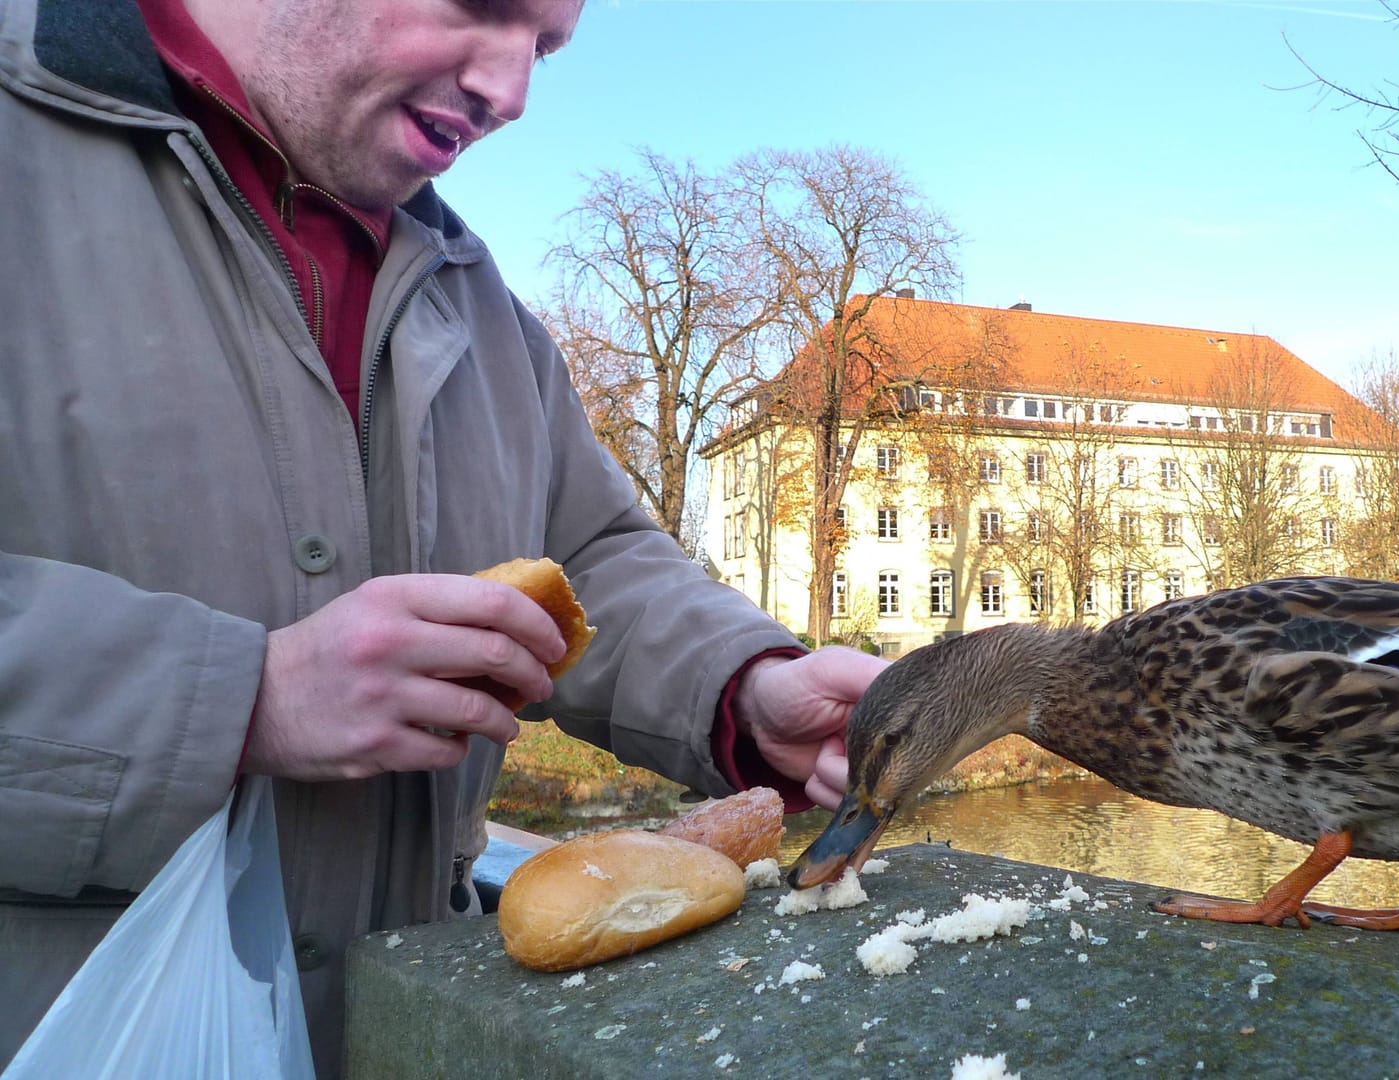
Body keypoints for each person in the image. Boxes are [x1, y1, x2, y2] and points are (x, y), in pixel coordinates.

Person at [0, 0, 886, 1074]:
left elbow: (592, 556)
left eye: (545, 49)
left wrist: (744, 690)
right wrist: (242, 699)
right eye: (484, 8)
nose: (511, 94)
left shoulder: (481, 307)